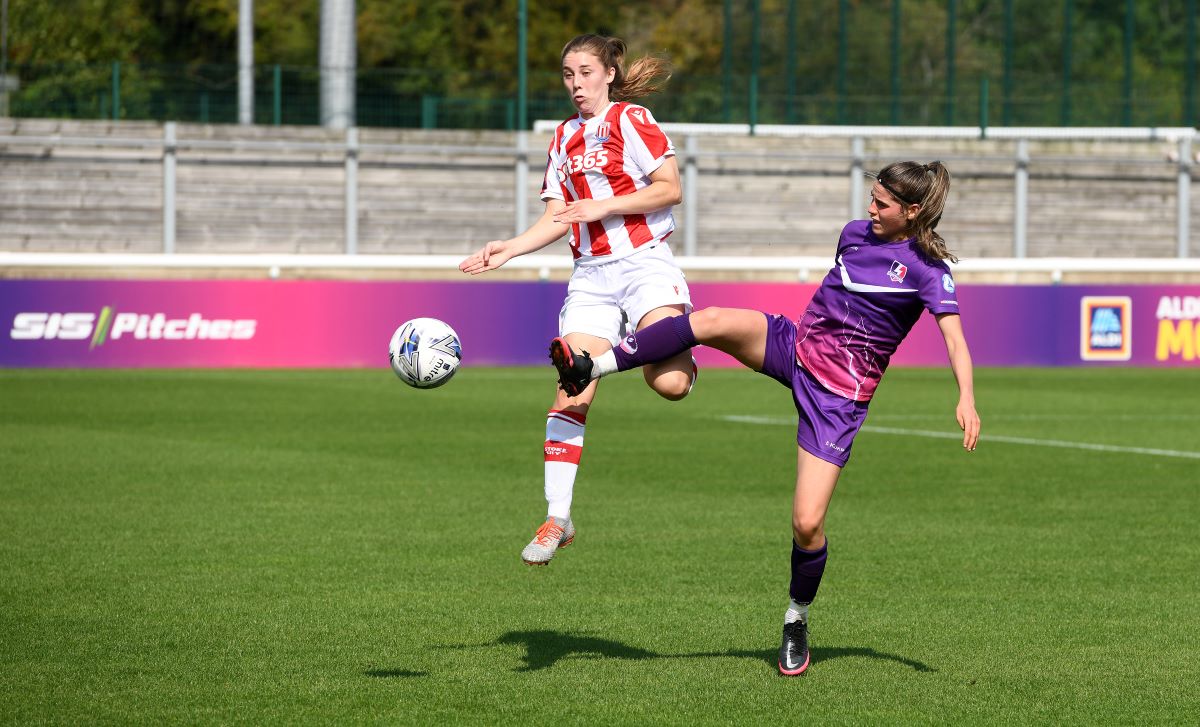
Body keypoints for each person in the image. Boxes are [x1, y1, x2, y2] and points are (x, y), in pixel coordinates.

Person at [550, 160, 981, 676]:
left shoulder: (929, 271)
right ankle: (589, 366)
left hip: (837, 400)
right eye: (872, 197)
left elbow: (954, 339)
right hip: (793, 346)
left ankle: (796, 617)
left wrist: (966, 398)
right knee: (707, 321)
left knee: (807, 523)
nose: (870, 208)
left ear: (912, 211)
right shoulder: (854, 235)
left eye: (882, 204)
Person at [459, 34, 696, 566]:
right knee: (570, 392)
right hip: (590, 277)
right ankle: (557, 517)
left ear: (609, 73)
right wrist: (510, 249)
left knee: (671, 384)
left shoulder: (631, 119)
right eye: (568, 74)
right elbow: (557, 216)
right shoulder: (562, 137)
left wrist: (604, 207)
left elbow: (669, 188)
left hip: (643, 265)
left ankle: (674, 344)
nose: (576, 84)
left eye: (586, 72)